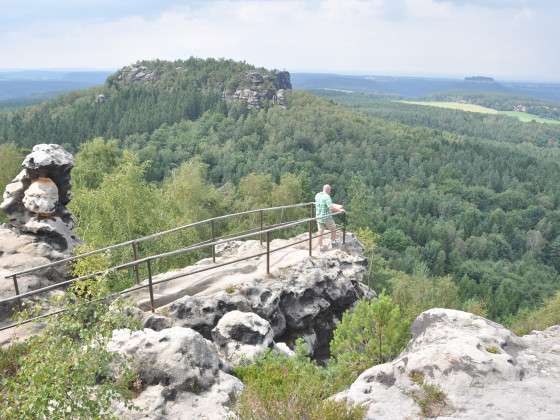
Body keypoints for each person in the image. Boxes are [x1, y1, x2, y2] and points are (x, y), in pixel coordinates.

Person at [315, 184, 344, 251]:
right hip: (326, 217)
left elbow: (324, 203)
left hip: (319, 216)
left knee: (320, 231)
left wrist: (332, 205)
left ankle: (320, 246)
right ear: (328, 190)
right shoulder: (327, 197)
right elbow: (331, 208)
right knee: (333, 228)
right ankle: (333, 242)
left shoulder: (318, 195)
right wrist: (340, 210)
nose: (330, 192)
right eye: (330, 190)